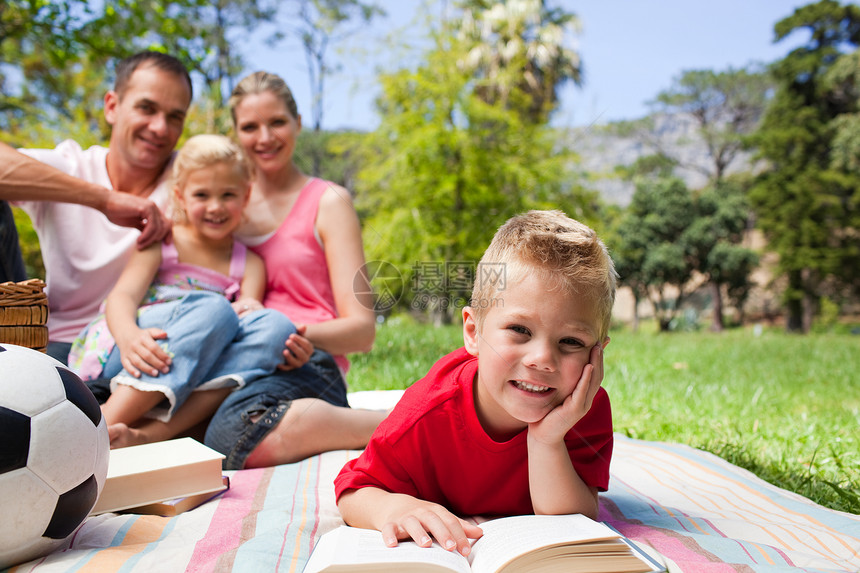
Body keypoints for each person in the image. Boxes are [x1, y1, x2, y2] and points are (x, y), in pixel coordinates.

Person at [334, 210, 618, 557]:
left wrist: (547, 439)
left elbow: (574, 520)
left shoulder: (584, 408)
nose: (542, 358)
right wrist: (391, 510)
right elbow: (354, 490)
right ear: (473, 332)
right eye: (520, 330)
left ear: (596, 354)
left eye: (571, 342)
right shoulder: (425, 414)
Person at [196, 71, 386, 469]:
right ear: (235, 133)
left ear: (298, 124)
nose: (265, 137)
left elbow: (362, 330)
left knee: (232, 432)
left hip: (308, 362)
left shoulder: (328, 202)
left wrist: (290, 337)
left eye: (277, 122)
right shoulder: (223, 206)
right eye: (250, 127)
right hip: (235, 362)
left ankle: (385, 425)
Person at [68, 134, 296, 445]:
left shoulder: (250, 263)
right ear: (181, 196)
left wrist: (253, 311)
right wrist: (129, 336)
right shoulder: (164, 243)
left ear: (246, 196)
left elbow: (250, 312)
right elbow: (121, 297)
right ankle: (103, 423)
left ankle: (149, 434)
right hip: (134, 349)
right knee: (216, 310)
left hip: (195, 357)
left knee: (276, 325)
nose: (215, 206)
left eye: (228, 194)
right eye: (202, 194)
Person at [2, 51, 191, 363]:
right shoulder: (71, 166)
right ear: (112, 107)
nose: (159, 127)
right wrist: (104, 199)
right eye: (147, 108)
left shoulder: (192, 181)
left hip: (139, 343)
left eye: (175, 117)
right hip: (51, 340)